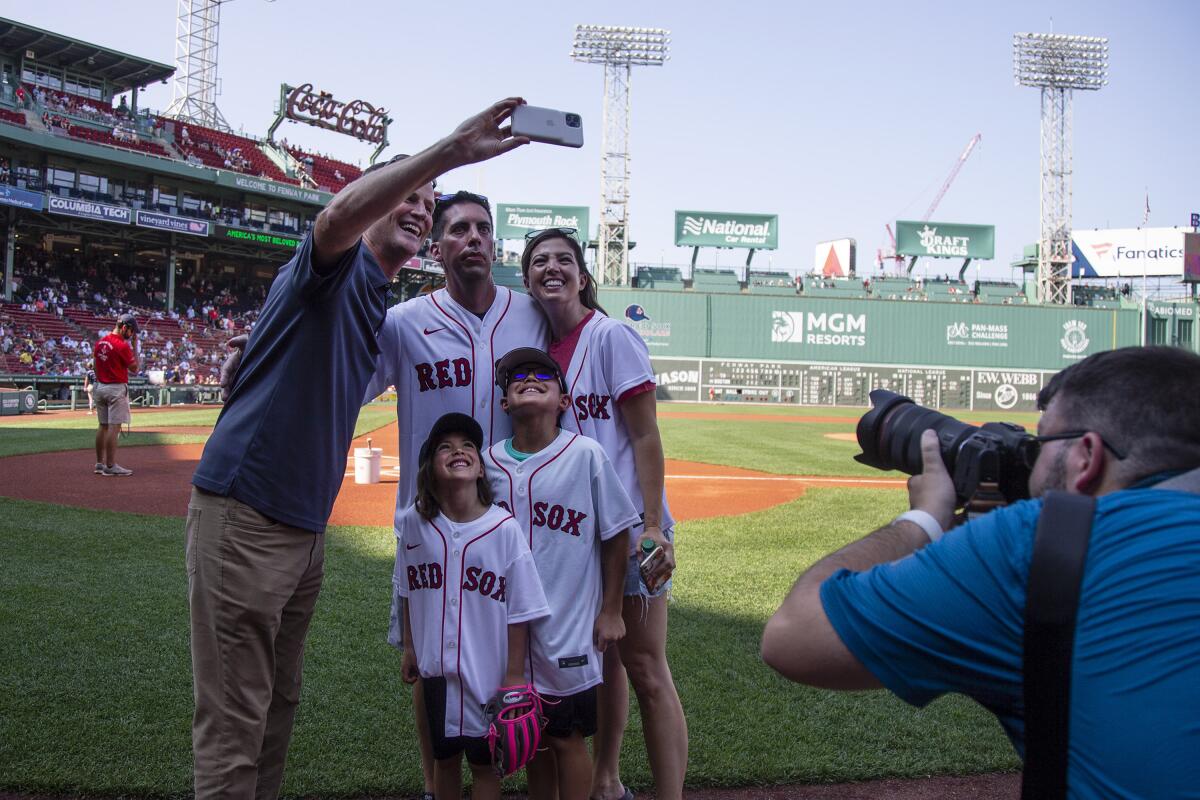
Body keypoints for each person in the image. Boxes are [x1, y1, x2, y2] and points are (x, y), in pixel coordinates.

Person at [187, 98, 531, 800]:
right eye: (407, 195)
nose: (419, 207)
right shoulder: (337, 265)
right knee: (235, 722)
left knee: (276, 709)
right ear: (370, 201)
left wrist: (248, 348)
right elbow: (332, 221)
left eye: (425, 203)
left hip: (301, 529)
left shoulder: (373, 298)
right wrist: (446, 151)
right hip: (249, 514)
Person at [761, 346, 1200, 797]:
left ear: (1085, 458)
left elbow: (793, 637)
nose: (1029, 462)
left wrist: (926, 518)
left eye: (1040, 444)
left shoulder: (1038, 545)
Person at [363, 190, 550, 798]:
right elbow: (345, 375)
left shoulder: (532, 316)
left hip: (512, 523)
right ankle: (432, 783)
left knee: (523, 655)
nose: (474, 238)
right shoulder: (405, 323)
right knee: (430, 667)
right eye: (460, 229)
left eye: (484, 229)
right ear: (437, 247)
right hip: (428, 523)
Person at [519, 229, 686, 800]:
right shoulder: (541, 352)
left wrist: (653, 524)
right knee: (604, 660)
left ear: (584, 276)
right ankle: (607, 781)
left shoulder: (611, 334)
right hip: (581, 536)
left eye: (564, 259)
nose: (552, 268)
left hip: (633, 528)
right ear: (527, 280)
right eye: (539, 261)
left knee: (646, 668)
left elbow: (645, 435)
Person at [485, 348, 639, 800]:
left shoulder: (585, 455)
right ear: (503, 403)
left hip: (566, 626)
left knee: (566, 738)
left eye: (543, 375)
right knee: (528, 739)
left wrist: (612, 610)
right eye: (517, 377)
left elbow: (615, 535)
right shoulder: (488, 464)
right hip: (506, 632)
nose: (529, 378)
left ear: (565, 401)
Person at [398, 412, 549, 800]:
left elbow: (521, 610)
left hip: (488, 674)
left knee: (485, 766)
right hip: (435, 673)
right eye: (444, 447)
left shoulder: (503, 529)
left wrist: (514, 675)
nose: (458, 452)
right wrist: (410, 648)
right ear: (430, 466)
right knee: (443, 760)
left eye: (468, 446)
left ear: (481, 469)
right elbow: (406, 591)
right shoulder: (414, 524)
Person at [92, 314, 139, 476]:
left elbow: (95, 366)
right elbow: (135, 369)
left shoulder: (100, 342)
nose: (132, 335)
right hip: (115, 388)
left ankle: (99, 463)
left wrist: (100, 381)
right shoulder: (122, 346)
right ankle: (111, 466)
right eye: (131, 331)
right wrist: (135, 346)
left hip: (99, 386)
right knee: (114, 427)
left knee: (102, 425)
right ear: (124, 327)